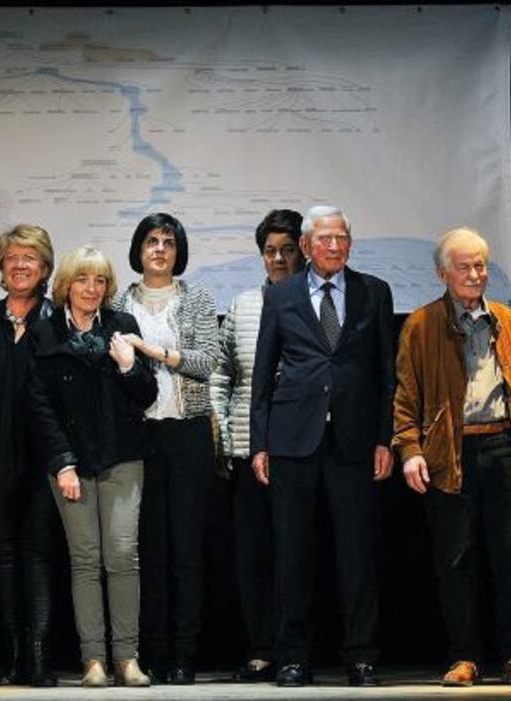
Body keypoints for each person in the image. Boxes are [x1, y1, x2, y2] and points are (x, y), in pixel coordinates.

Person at [393, 227, 511, 687]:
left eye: (480, 264)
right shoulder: (421, 325)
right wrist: (409, 449)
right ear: (443, 273)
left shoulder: (505, 318)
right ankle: (464, 655)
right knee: (456, 558)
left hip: (502, 444)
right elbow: (406, 397)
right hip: (450, 449)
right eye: (463, 266)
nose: (474, 273)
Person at [250, 205, 395, 688]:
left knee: (357, 555)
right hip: (293, 440)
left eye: (342, 238)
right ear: (309, 245)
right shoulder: (283, 295)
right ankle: (293, 657)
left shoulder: (374, 291)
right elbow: (263, 375)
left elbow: (385, 376)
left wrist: (383, 439)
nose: (335, 246)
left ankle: (361, 657)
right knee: (292, 555)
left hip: (354, 441)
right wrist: (260, 443)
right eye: (326, 239)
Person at [29, 246, 157, 688]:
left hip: (122, 457)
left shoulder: (123, 326)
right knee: (85, 560)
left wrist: (128, 367)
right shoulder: (43, 333)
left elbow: (146, 395)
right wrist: (62, 463)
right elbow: (39, 407)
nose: (91, 289)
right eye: (83, 280)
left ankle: (127, 658)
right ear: (66, 285)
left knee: (123, 557)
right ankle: (93, 661)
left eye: (100, 281)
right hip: (71, 464)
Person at [111, 213, 223, 684]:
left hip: (188, 431)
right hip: (139, 436)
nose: (159, 249)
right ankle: (150, 653)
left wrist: (151, 351)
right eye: (152, 241)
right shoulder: (118, 301)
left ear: (179, 252)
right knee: (146, 551)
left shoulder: (195, 298)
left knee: (187, 550)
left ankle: (184, 654)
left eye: (169, 242)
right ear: (138, 248)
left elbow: (207, 361)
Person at [209, 209, 304, 682]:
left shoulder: (318, 303)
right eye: (270, 251)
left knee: (297, 554)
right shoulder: (245, 304)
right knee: (253, 555)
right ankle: (262, 647)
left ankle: (296, 648)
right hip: (250, 451)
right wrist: (227, 440)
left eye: (288, 249)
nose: (279, 259)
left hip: (303, 450)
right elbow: (223, 376)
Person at [0, 225, 58, 686]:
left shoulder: (59, 320)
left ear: (45, 268)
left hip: (46, 460)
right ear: (1, 266)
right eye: (12, 257)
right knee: (2, 556)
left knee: (38, 554)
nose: (20, 265)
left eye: (30, 257)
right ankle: (13, 657)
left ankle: (39, 660)